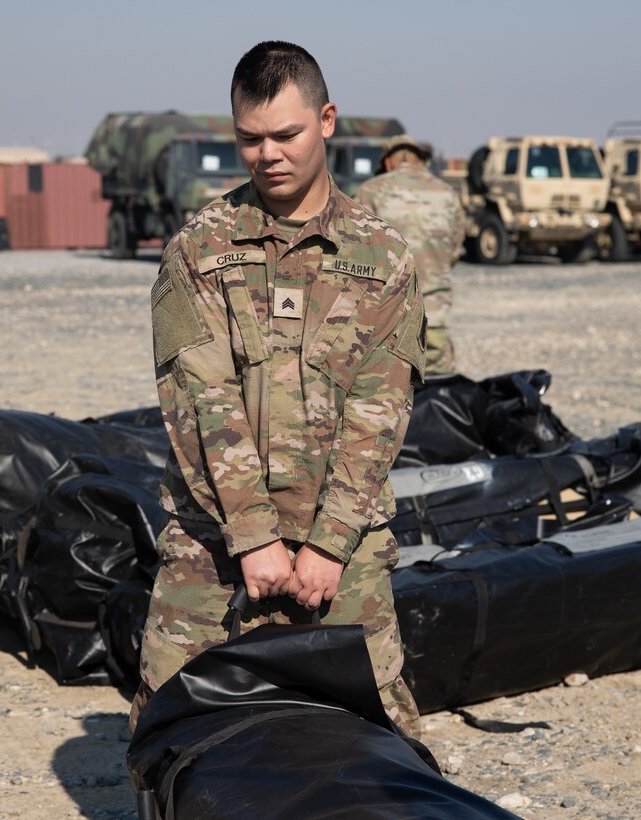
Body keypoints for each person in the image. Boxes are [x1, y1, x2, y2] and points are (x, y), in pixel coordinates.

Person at [135, 41, 425, 737]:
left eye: (286, 134)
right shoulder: (198, 248)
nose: (267, 155)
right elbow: (201, 400)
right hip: (214, 540)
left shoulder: (383, 258)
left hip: (343, 544)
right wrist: (255, 535)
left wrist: (327, 544)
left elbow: (379, 413)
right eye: (249, 139)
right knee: (168, 728)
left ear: (326, 121)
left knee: (379, 735)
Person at [356, 135, 465, 375]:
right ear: (421, 161)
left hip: (387, 311)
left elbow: (357, 249)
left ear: (387, 163)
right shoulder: (447, 193)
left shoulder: (372, 190)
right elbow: (455, 250)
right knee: (438, 383)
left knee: (388, 383)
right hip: (435, 308)